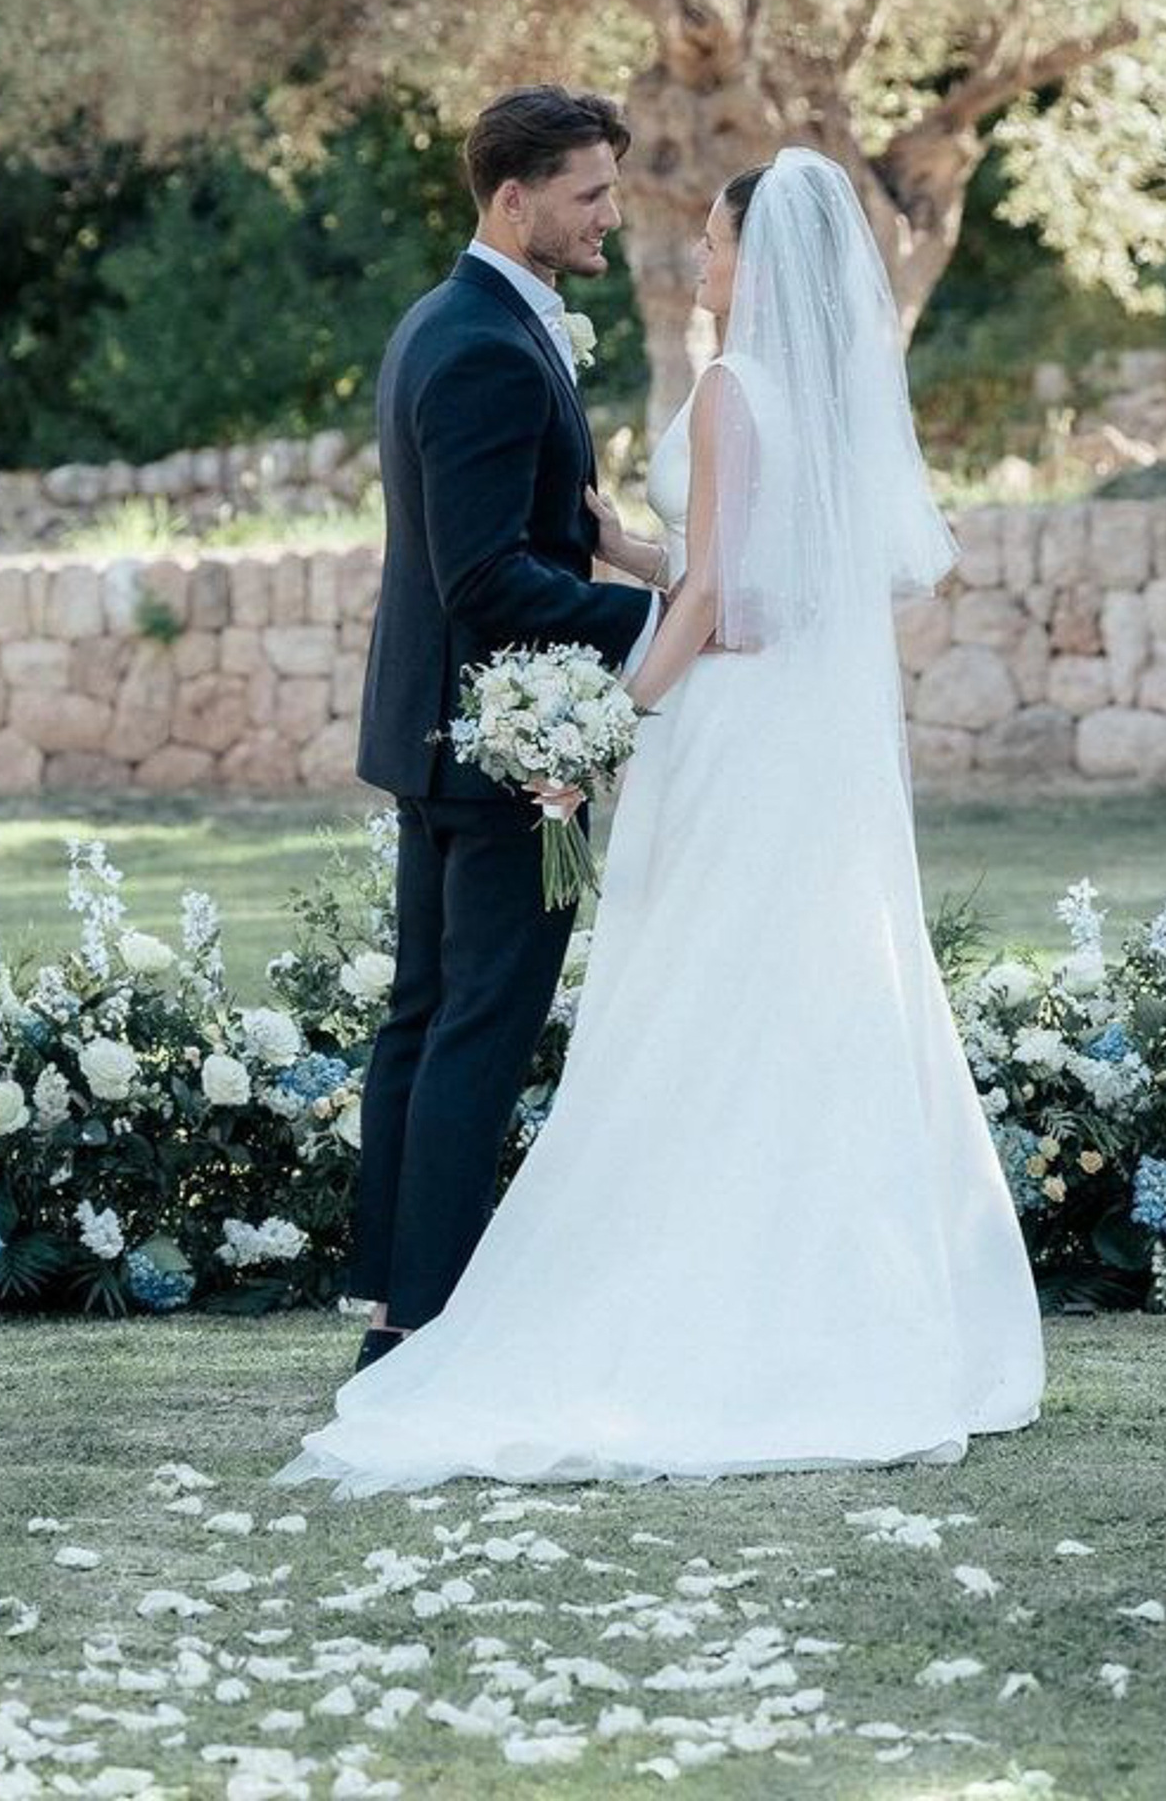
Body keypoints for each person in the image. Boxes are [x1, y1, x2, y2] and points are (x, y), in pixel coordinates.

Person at [280, 144, 1044, 1492]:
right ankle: (838, 1292)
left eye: (718, 241)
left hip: (724, 736)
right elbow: (764, 581)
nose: (697, 258)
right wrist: (638, 556)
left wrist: (609, 718)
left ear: (766, 262)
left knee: (688, 1002)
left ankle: (521, 1304)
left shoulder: (733, 386)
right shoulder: (811, 402)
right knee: (778, 1000)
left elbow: (713, 611)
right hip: (787, 745)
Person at [340, 83, 664, 1371]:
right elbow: (480, 577)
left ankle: (393, 1309)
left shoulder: (453, 319)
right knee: (474, 1024)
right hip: (497, 754)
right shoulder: (479, 342)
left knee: (427, 1018)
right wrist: (651, 627)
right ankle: (425, 1325)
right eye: (589, 194)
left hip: (444, 740)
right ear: (513, 197)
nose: (611, 216)